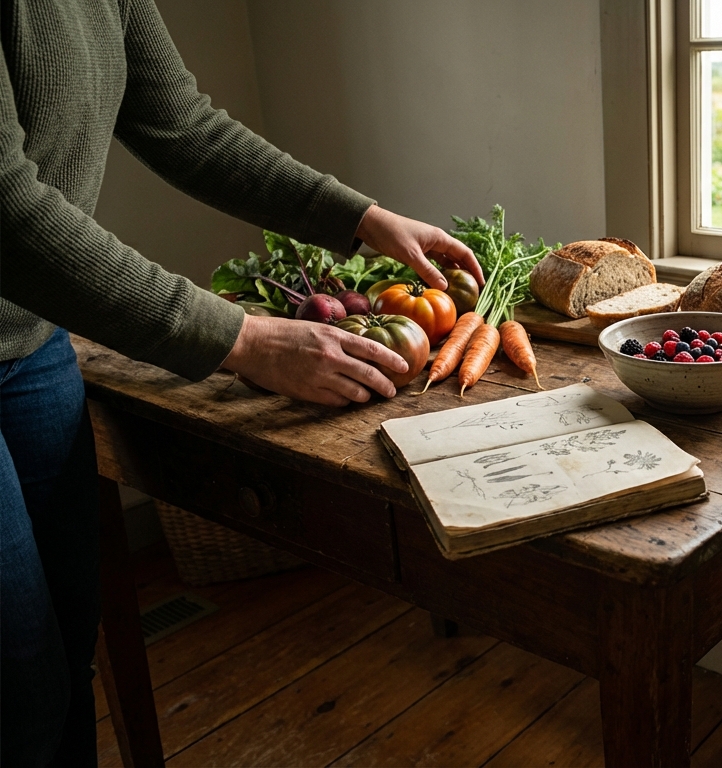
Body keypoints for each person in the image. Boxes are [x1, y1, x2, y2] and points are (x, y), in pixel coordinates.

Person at [0, 1, 483, 764]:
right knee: (15, 680)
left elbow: (183, 124)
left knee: (66, 648)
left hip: (29, 343)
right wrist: (247, 339)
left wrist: (360, 217)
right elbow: (7, 211)